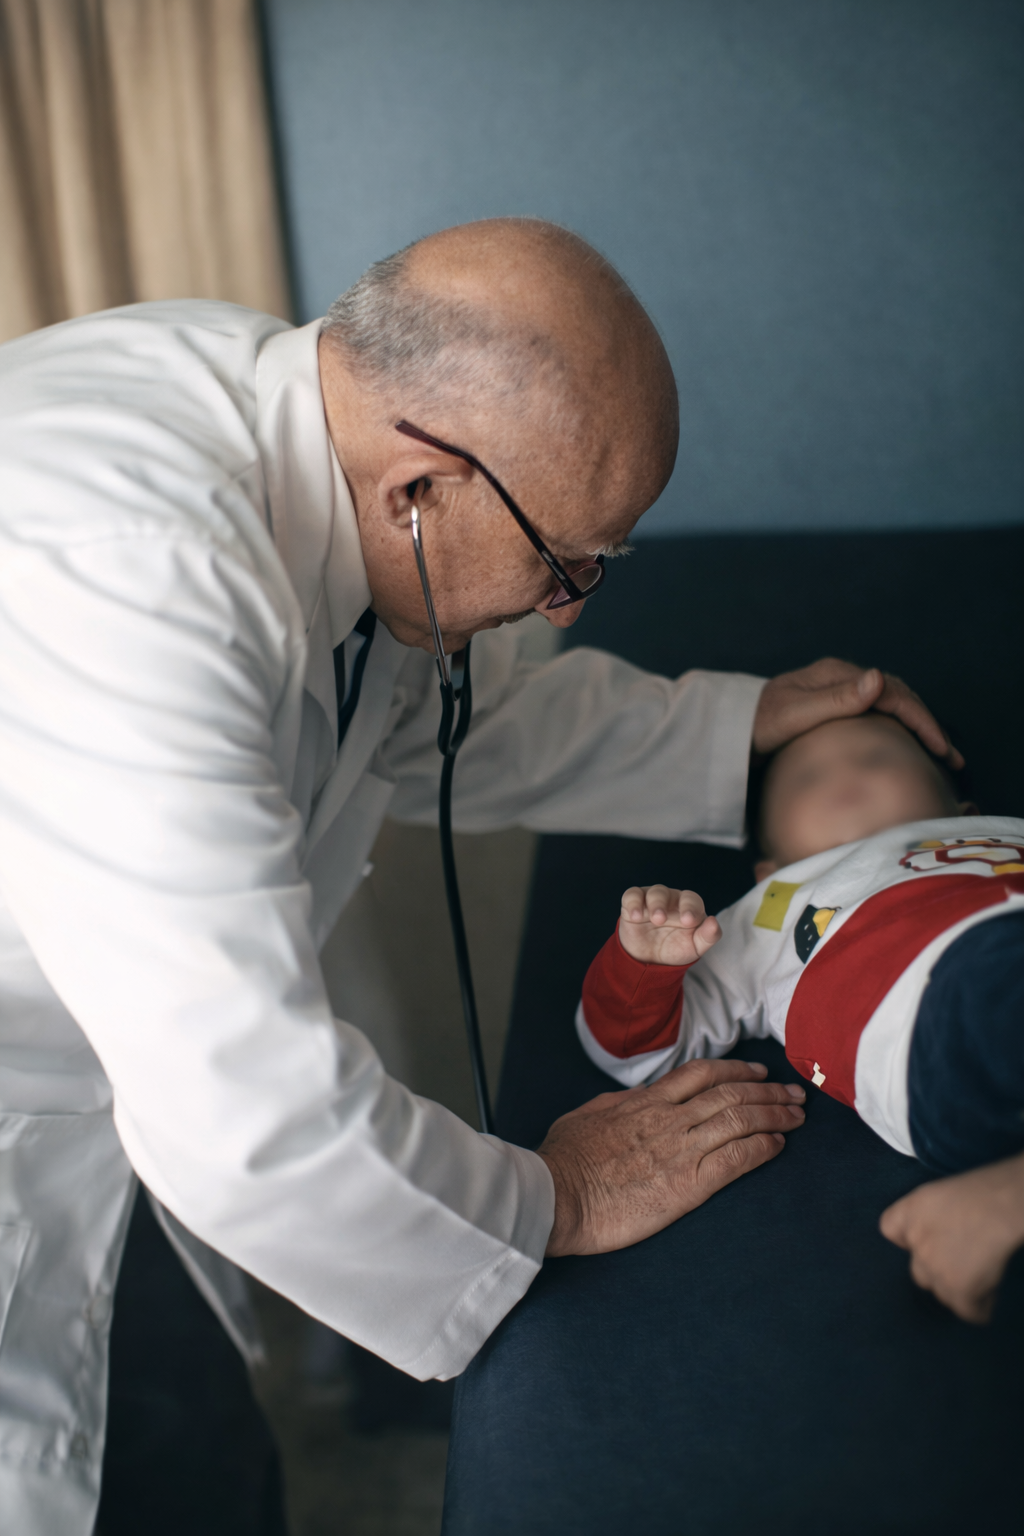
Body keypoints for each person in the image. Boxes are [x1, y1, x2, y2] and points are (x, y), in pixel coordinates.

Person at [0, 218, 957, 1534]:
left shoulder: (311, 423)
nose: (572, 605)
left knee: (183, 1437)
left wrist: (741, 723)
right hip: (41, 1100)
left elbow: (442, 716)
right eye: (565, 562)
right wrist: (557, 1195)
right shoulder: (127, 573)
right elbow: (243, 1112)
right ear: (419, 487)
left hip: (107, 1097)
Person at [574, 711, 1024, 1316]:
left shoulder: (1003, 833)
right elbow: (637, 1053)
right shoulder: (772, 906)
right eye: (807, 777)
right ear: (769, 868)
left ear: (962, 812)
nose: (844, 774)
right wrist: (644, 964)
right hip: (943, 1015)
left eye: (877, 756)